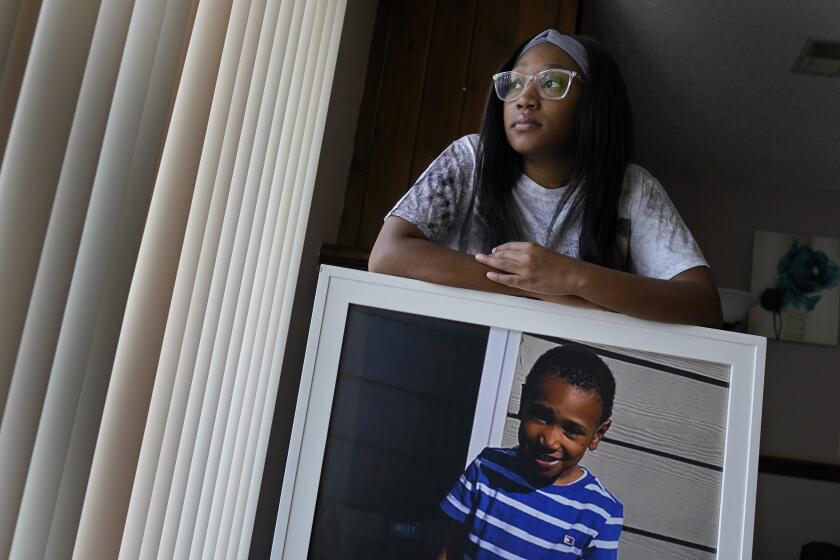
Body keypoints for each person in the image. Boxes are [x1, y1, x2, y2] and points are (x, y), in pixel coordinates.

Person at [368, 30, 722, 327]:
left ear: (592, 102)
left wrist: (572, 277)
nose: (525, 98)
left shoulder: (632, 188)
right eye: (515, 82)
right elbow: (387, 254)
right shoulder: (471, 159)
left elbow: (703, 306)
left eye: (552, 83)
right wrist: (539, 289)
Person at [437, 344, 622, 559]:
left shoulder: (601, 514)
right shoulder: (486, 470)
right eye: (542, 417)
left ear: (597, 434)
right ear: (524, 401)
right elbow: (449, 550)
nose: (550, 441)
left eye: (572, 430)